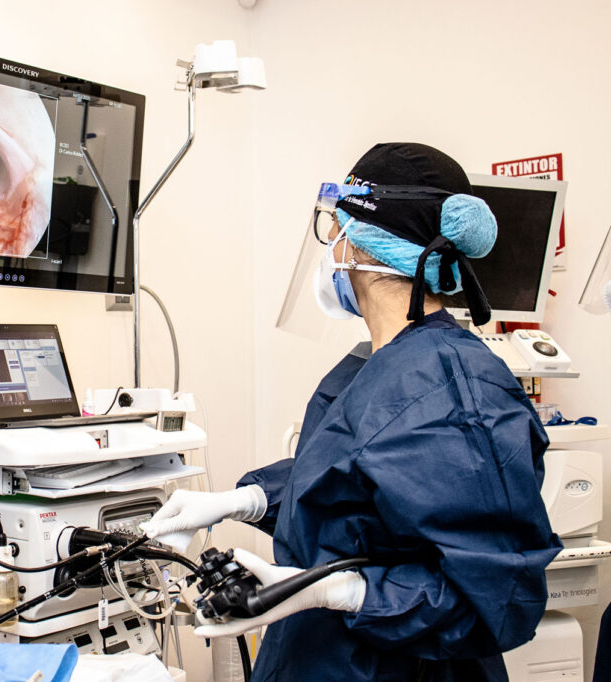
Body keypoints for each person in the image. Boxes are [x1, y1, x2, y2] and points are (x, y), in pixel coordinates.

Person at [141, 143, 562, 681]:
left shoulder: (456, 390)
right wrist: (245, 500)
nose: (331, 245)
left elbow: (496, 598)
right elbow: (355, 487)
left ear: (361, 244)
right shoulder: (381, 362)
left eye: (334, 227)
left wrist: (341, 591)